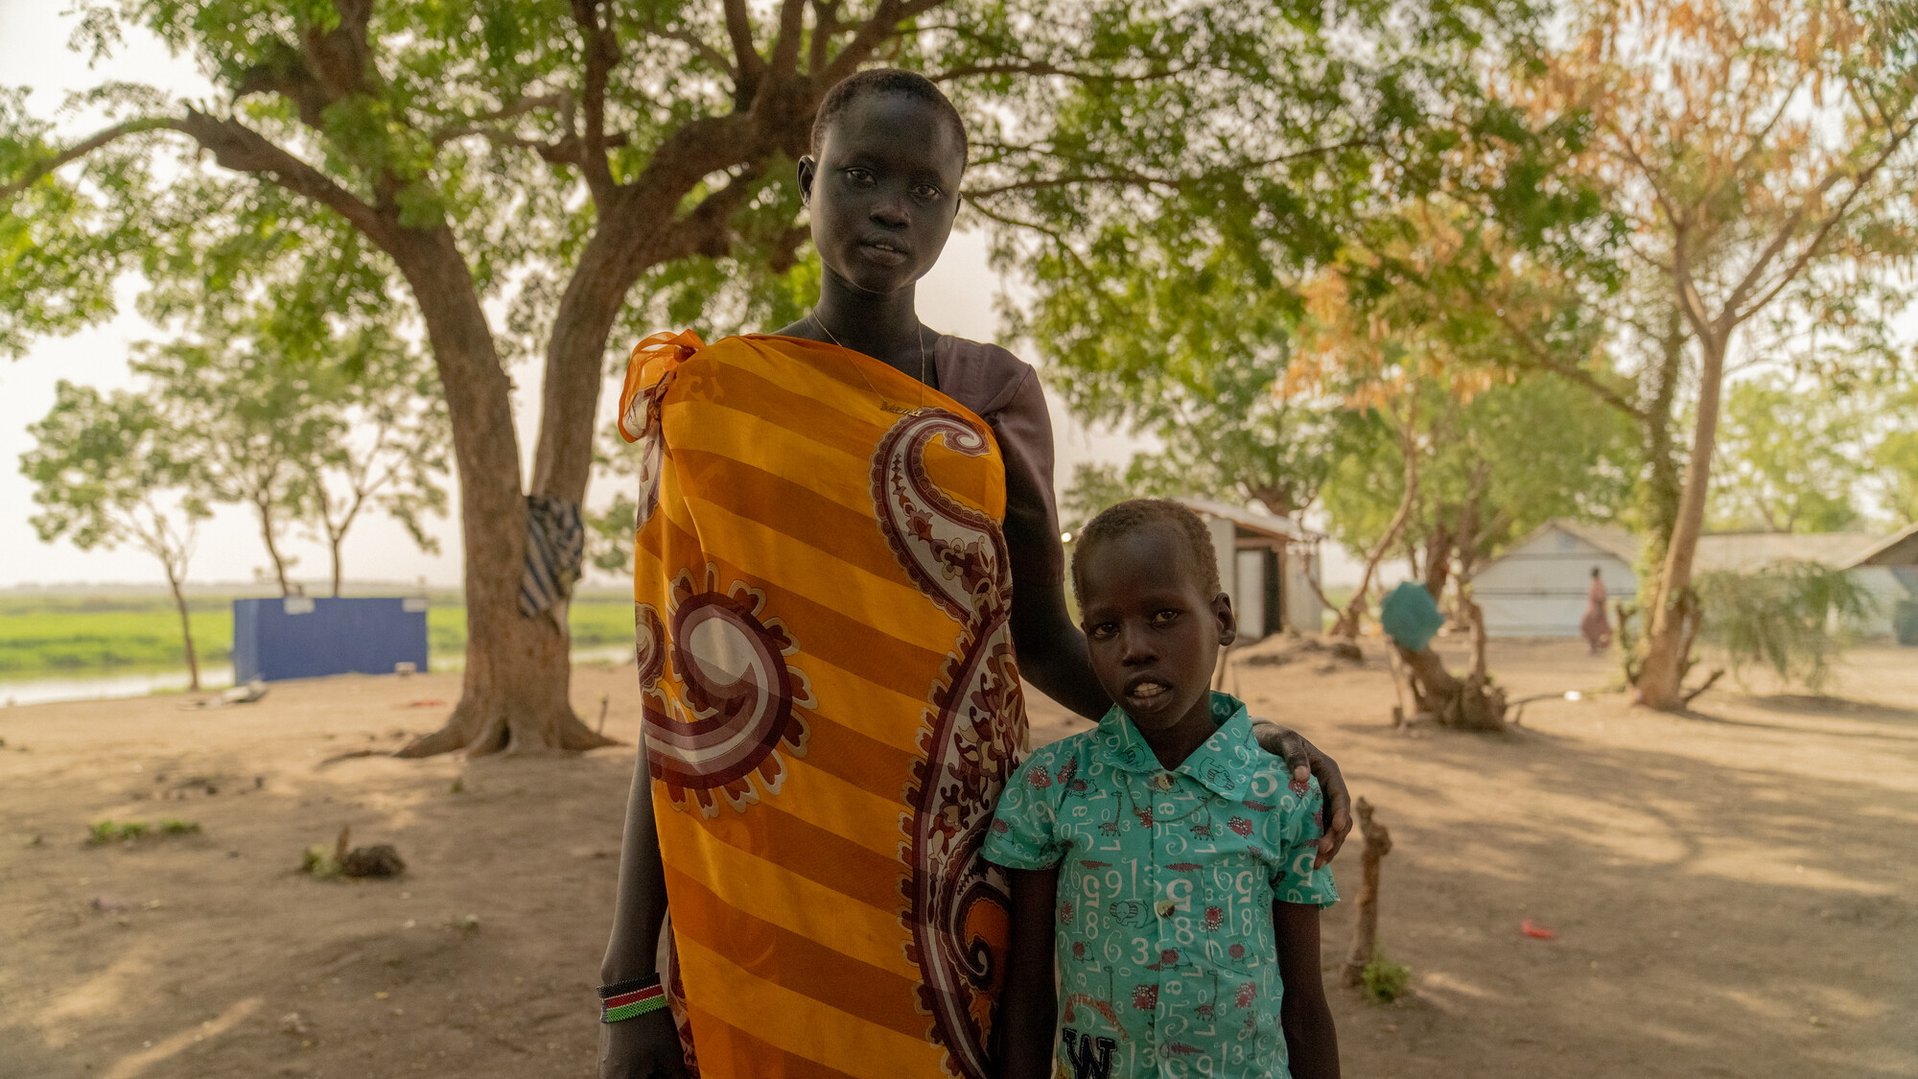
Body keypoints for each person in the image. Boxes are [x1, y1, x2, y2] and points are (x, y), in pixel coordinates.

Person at [598, 69, 1352, 1079]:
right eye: (861, 173)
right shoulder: (720, 400)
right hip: (770, 864)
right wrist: (627, 982)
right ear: (805, 176)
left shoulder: (993, 392)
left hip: (955, 863)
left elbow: (1041, 632)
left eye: (925, 189)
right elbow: (681, 703)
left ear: (954, 207)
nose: (889, 208)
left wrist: (1217, 736)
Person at [988, 499, 1340, 1079]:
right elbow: (1028, 996)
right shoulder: (1051, 787)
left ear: (1222, 620)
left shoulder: (1282, 794)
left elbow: (1304, 1007)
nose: (1135, 648)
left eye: (1163, 616)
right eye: (1106, 628)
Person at [1581, 566, 1611, 654]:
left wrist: (1599, 611)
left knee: (1590, 627)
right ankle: (1594, 647)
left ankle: (1597, 647)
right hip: (1594, 610)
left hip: (1596, 611)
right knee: (1590, 629)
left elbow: (1600, 599)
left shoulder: (1598, 584)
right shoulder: (1595, 583)